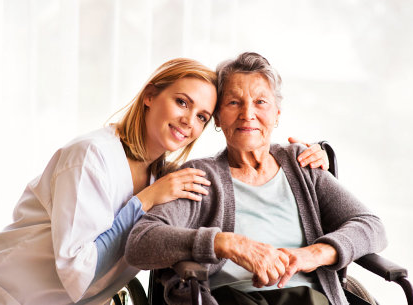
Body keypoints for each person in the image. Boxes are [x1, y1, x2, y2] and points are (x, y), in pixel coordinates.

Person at [0, 57, 327, 305]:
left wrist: (323, 154)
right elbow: (77, 274)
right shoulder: (90, 156)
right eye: (181, 102)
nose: (189, 120)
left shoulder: (166, 173)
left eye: (202, 115)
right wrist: (145, 200)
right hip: (6, 293)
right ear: (149, 96)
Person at [125, 53, 388, 305]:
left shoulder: (303, 164)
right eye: (234, 102)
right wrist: (225, 243)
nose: (247, 114)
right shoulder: (200, 177)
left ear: (277, 114)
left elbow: (370, 226)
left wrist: (314, 254)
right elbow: (140, 243)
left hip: (308, 298)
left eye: (261, 102)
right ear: (217, 118)